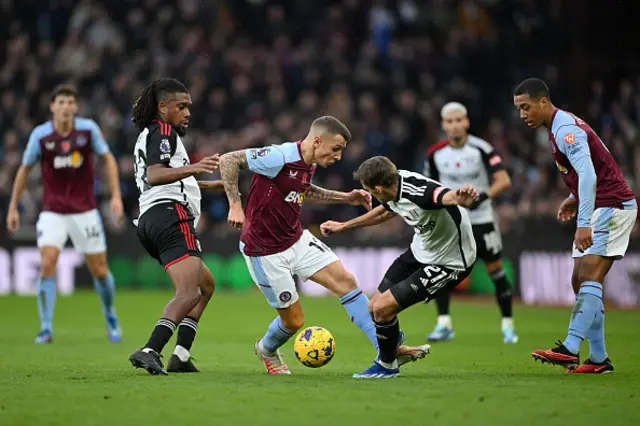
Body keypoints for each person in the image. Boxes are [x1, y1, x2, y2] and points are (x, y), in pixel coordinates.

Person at [219, 116, 430, 375]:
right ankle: (266, 348)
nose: (338, 157)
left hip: (296, 239)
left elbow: (303, 190)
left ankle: (387, 351)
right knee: (294, 321)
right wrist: (235, 205)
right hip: (264, 251)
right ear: (318, 141)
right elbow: (228, 160)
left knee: (347, 282)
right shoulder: (278, 156)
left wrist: (346, 198)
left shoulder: (308, 162)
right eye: (336, 149)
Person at [514, 78, 637, 374]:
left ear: (544, 102)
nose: (522, 115)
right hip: (598, 205)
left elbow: (590, 176)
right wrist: (572, 197)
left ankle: (570, 348)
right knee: (578, 281)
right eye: (519, 109)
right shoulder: (557, 127)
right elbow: (594, 165)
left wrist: (583, 223)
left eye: (526, 107)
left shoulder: (565, 130)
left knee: (590, 274)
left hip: (612, 205)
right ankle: (598, 359)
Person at [320, 156, 478, 378]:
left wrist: (460, 197)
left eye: (369, 191)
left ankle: (387, 366)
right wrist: (344, 226)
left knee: (383, 309)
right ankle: (395, 352)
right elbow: (386, 210)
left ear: (378, 188)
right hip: (421, 251)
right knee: (373, 307)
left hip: (449, 262)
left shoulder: (419, 193)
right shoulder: (393, 186)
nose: (372, 195)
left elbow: (443, 196)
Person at [6, 84, 123, 344]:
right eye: (61, 102)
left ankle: (110, 315)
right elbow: (24, 169)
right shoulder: (41, 135)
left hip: (86, 211)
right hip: (53, 211)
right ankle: (45, 327)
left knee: (100, 270)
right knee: (47, 264)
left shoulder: (88, 130)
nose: (66, 107)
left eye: (70, 102)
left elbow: (108, 159)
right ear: (52, 106)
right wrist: (13, 207)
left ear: (75, 107)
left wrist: (115, 196)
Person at [127, 78, 224, 375]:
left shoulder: (148, 135)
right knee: (190, 292)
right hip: (171, 216)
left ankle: (180, 354)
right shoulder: (164, 131)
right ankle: (150, 349)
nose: (187, 113)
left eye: (189, 107)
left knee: (205, 285)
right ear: (162, 107)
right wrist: (197, 167)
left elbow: (162, 177)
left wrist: (205, 186)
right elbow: (157, 175)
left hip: (152, 218)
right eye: (181, 106)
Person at [424, 102, 517, 344]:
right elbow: (430, 188)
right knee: (441, 269)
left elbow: (504, 180)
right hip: (453, 221)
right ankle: (444, 324)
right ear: (444, 125)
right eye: (450, 121)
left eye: (459, 120)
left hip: (482, 219)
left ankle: (508, 326)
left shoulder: (482, 149)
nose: (454, 125)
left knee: (495, 269)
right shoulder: (435, 154)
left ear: (466, 122)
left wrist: (482, 197)